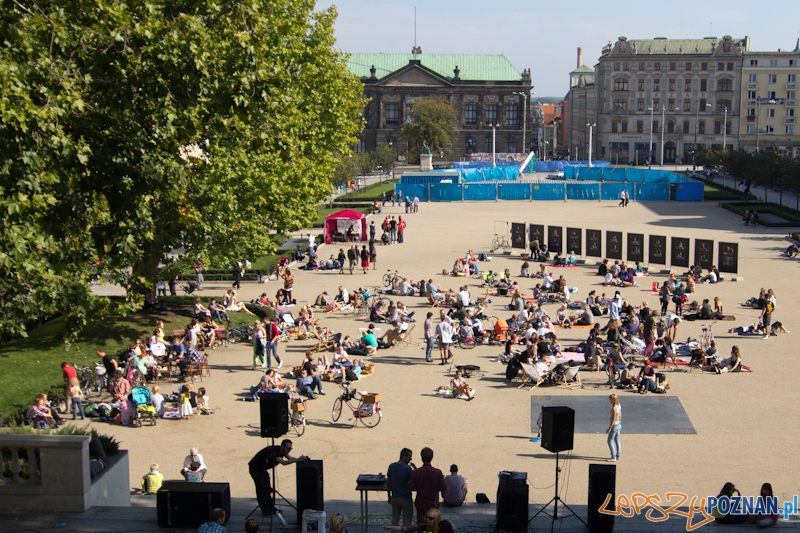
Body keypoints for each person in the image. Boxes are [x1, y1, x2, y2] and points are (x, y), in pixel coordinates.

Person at [249, 439, 309, 516]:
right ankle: (265, 510)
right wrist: (298, 459)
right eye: (288, 448)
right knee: (261, 490)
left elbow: (290, 459)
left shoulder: (283, 451)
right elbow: (283, 462)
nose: (289, 450)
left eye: (290, 449)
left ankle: (271, 508)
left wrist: (301, 459)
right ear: (282, 446)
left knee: (267, 488)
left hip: (263, 469)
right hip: (256, 469)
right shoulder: (275, 451)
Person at [408, 447, 446, 524]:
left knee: (420, 525)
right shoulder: (437, 472)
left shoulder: (416, 472)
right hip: (433, 502)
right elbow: (444, 487)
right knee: (433, 526)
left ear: (421, 457)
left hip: (420, 502)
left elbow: (410, 487)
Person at [387, 448, 417, 526]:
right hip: (405, 498)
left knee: (395, 520)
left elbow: (388, 483)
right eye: (409, 457)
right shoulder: (408, 469)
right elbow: (415, 480)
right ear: (404, 456)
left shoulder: (391, 466)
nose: (410, 459)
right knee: (407, 522)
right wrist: (415, 469)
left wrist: (389, 496)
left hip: (394, 497)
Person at [605, 394, 622, 462]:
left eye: (610, 399)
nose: (609, 401)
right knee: (617, 440)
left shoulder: (614, 408)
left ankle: (613, 456)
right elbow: (620, 414)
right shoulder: (619, 405)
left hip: (615, 426)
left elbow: (613, 419)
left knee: (609, 441)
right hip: (619, 425)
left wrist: (609, 428)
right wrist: (620, 421)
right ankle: (618, 455)